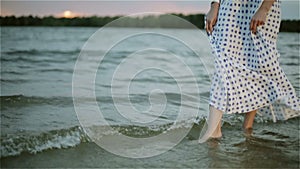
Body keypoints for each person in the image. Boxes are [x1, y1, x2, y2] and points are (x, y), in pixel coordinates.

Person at [198, 0, 300, 143]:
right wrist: (215, 5)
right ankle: (214, 130)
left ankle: (247, 125)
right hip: (231, 5)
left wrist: (264, 8)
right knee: (223, 61)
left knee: (258, 63)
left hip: (262, 4)